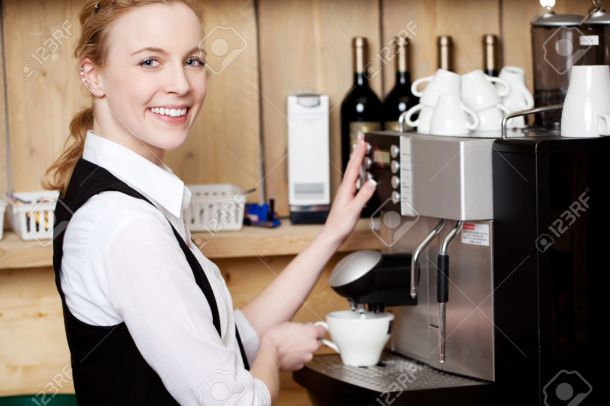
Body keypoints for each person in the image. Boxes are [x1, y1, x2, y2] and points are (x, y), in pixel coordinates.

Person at [44, 1, 377, 405]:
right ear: (93, 75)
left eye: (193, 61)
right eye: (150, 61)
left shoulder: (126, 195)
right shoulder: (128, 223)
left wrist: (332, 233)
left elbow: (215, 341)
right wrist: (270, 352)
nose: (181, 84)